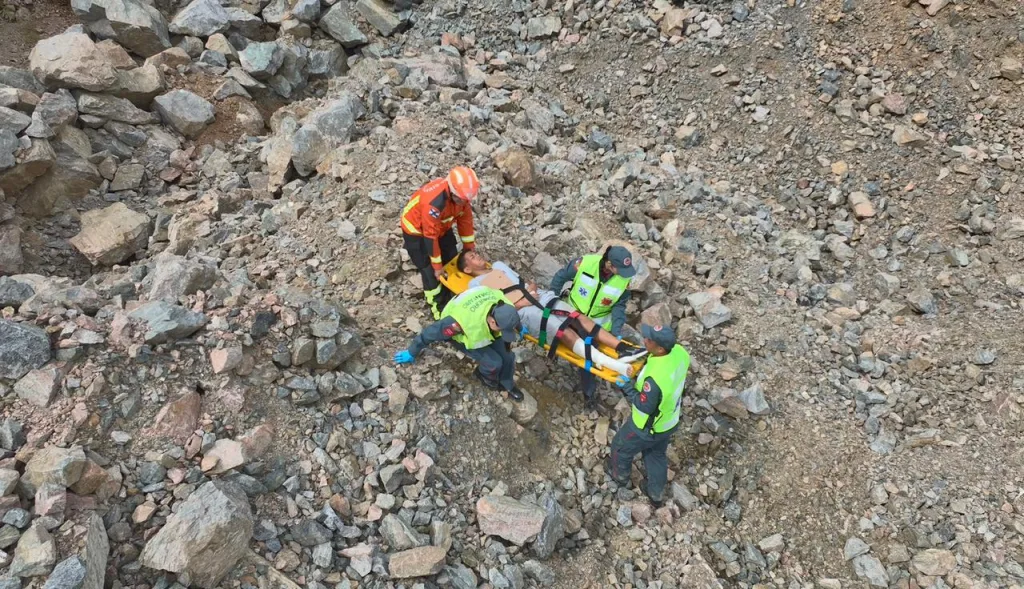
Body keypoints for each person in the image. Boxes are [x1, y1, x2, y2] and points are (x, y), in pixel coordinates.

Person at [456, 251, 647, 379]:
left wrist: (531, 288)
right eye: (472, 257)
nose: (477, 255)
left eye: (476, 253)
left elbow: (523, 280)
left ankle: (622, 348)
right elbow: (495, 312)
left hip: (538, 295)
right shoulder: (475, 285)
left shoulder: (498, 265)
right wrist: (522, 302)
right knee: (563, 330)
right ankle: (612, 364)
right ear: (467, 269)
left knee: (578, 317)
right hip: (521, 310)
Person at [393, 285, 526, 402]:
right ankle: (485, 377)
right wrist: (412, 351)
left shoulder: (502, 303)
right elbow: (431, 333)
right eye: (503, 329)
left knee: (509, 357)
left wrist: (519, 328)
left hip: (486, 330)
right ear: (492, 321)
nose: (504, 332)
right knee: (494, 362)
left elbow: (510, 318)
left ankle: (507, 384)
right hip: (466, 336)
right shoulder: (459, 323)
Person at [608, 324, 690, 508]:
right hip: (668, 421)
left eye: (649, 340)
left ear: (660, 349)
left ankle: (620, 477)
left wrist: (626, 386)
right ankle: (656, 493)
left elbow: (644, 406)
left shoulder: (655, 380)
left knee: (620, 447)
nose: (644, 340)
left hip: (646, 427)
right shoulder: (680, 353)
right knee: (656, 455)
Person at [549, 245, 637, 408]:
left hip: (597, 325)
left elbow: (619, 306)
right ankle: (553, 356)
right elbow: (560, 277)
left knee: (589, 356)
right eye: (620, 269)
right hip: (571, 314)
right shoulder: (584, 264)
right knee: (568, 340)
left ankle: (588, 394)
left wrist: (616, 331)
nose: (624, 274)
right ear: (609, 264)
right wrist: (551, 300)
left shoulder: (623, 280)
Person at [401, 166, 481, 319]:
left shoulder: (462, 198)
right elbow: (430, 237)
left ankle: (456, 296)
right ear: (452, 191)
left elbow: (465, 221)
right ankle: (439, 309)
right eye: (461, 199)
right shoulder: (434, 203)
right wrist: (437, 267)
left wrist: (469, 248)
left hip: (442, 226)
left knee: (452, 260)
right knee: (430, 271)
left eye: (466, 200)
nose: (463, 202)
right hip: (417, 232)